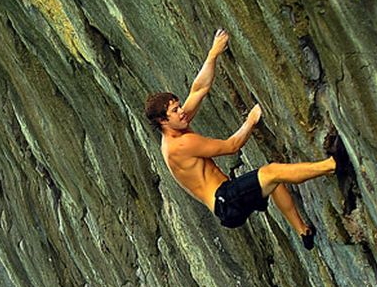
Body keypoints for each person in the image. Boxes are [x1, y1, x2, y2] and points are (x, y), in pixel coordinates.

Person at [144, 29, 353, 248]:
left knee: (274, 182)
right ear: (163, 122)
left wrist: (213, 53)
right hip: (225, 201)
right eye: (175, 111)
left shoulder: (177, 126)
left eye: (178, 106)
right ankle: (333, 165)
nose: (182, 111)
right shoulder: (180, 144)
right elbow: (231, 146)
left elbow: (200, 89)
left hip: (226, 198)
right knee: (272, 172)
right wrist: (251, 120)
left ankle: (304, 232)